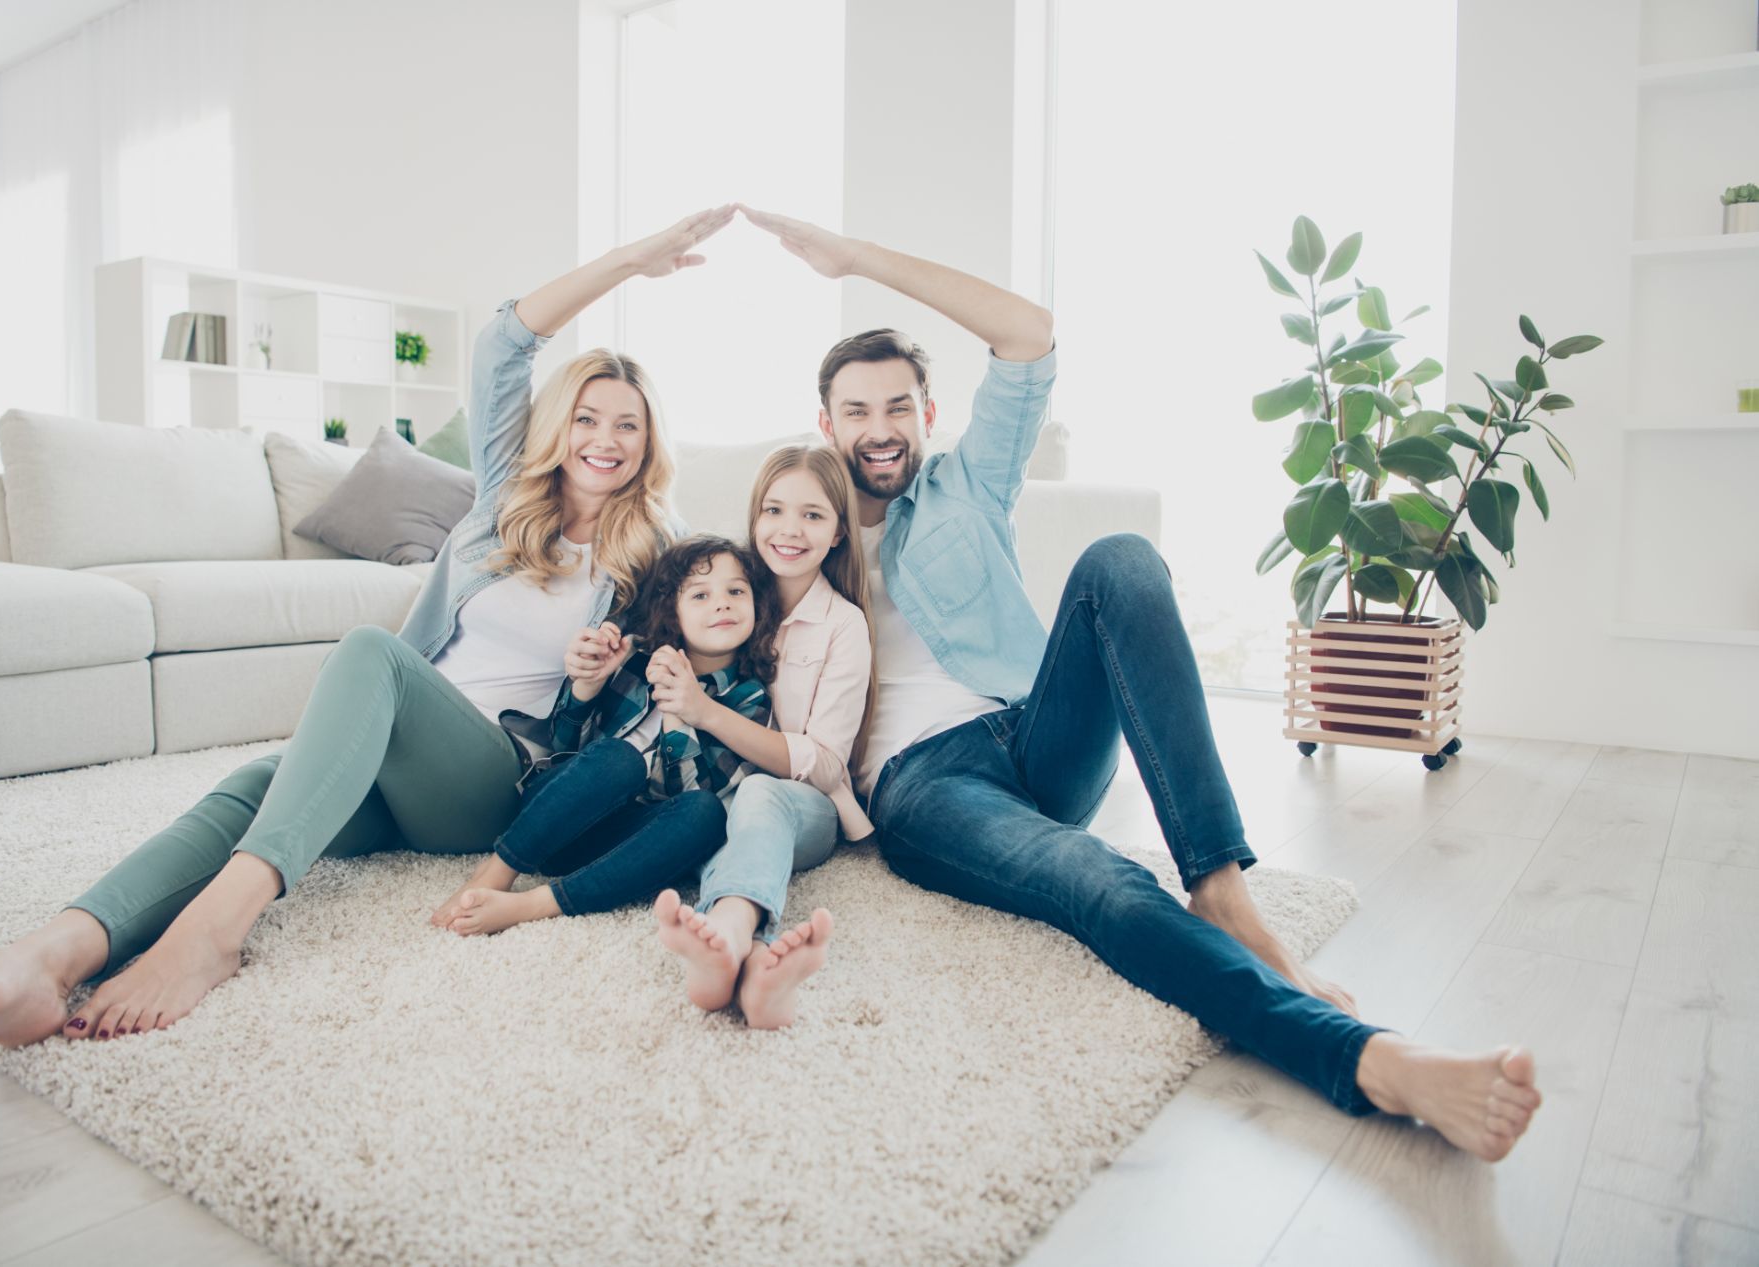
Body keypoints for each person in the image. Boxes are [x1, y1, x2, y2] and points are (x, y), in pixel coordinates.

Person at [740, 204, 1543, 1162]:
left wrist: (859, 257)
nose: (879, 430)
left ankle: (1218, 883)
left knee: (1121, 558)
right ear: (825, 423)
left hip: (1035, 733)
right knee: (1103, 882)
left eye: (898, 406)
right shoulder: (789, 539)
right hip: (925, 786)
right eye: (857, 411)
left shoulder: (964, 486)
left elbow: (1028, 337)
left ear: (928, 414)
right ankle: (1368, 1061)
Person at [0, 205, 738, 1048]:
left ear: (649, 441)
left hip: (496, 780)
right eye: (588, 417)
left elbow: (640, 712)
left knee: (369, 653)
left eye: (628, 423)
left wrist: (589, 678)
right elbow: (501, 345)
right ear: (559, 427)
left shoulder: (655, 553)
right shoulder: (502, 499)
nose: (605, 438)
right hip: (404, 759)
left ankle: (214, 933)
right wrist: (630, 261)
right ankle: (44, 958)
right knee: (258, 787)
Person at [429, 536, 776, 936]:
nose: (722, 603)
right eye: (700, 595)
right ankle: (498, 869)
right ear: (672, 612)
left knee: (707, 815)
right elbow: (563, 750)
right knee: (618, 757)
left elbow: (688, 793)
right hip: (553, 820)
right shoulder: (633, 660)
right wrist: (586, 687)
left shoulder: (748, 697)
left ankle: (534, 904)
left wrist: (681, 712)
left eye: (736, 591)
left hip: (619, 847)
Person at [654, 445, 876, 1029]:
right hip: (715, 802)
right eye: (774, 510)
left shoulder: (842, 626)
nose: (789, 530)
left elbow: (825, 763)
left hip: (805, 807)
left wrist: (706, 712)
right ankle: (751, 969)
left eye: (812, 515)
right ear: (754, 520)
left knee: (757, 795)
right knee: (717, 811)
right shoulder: (729, 594)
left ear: (837, 535)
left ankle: (724, 930)